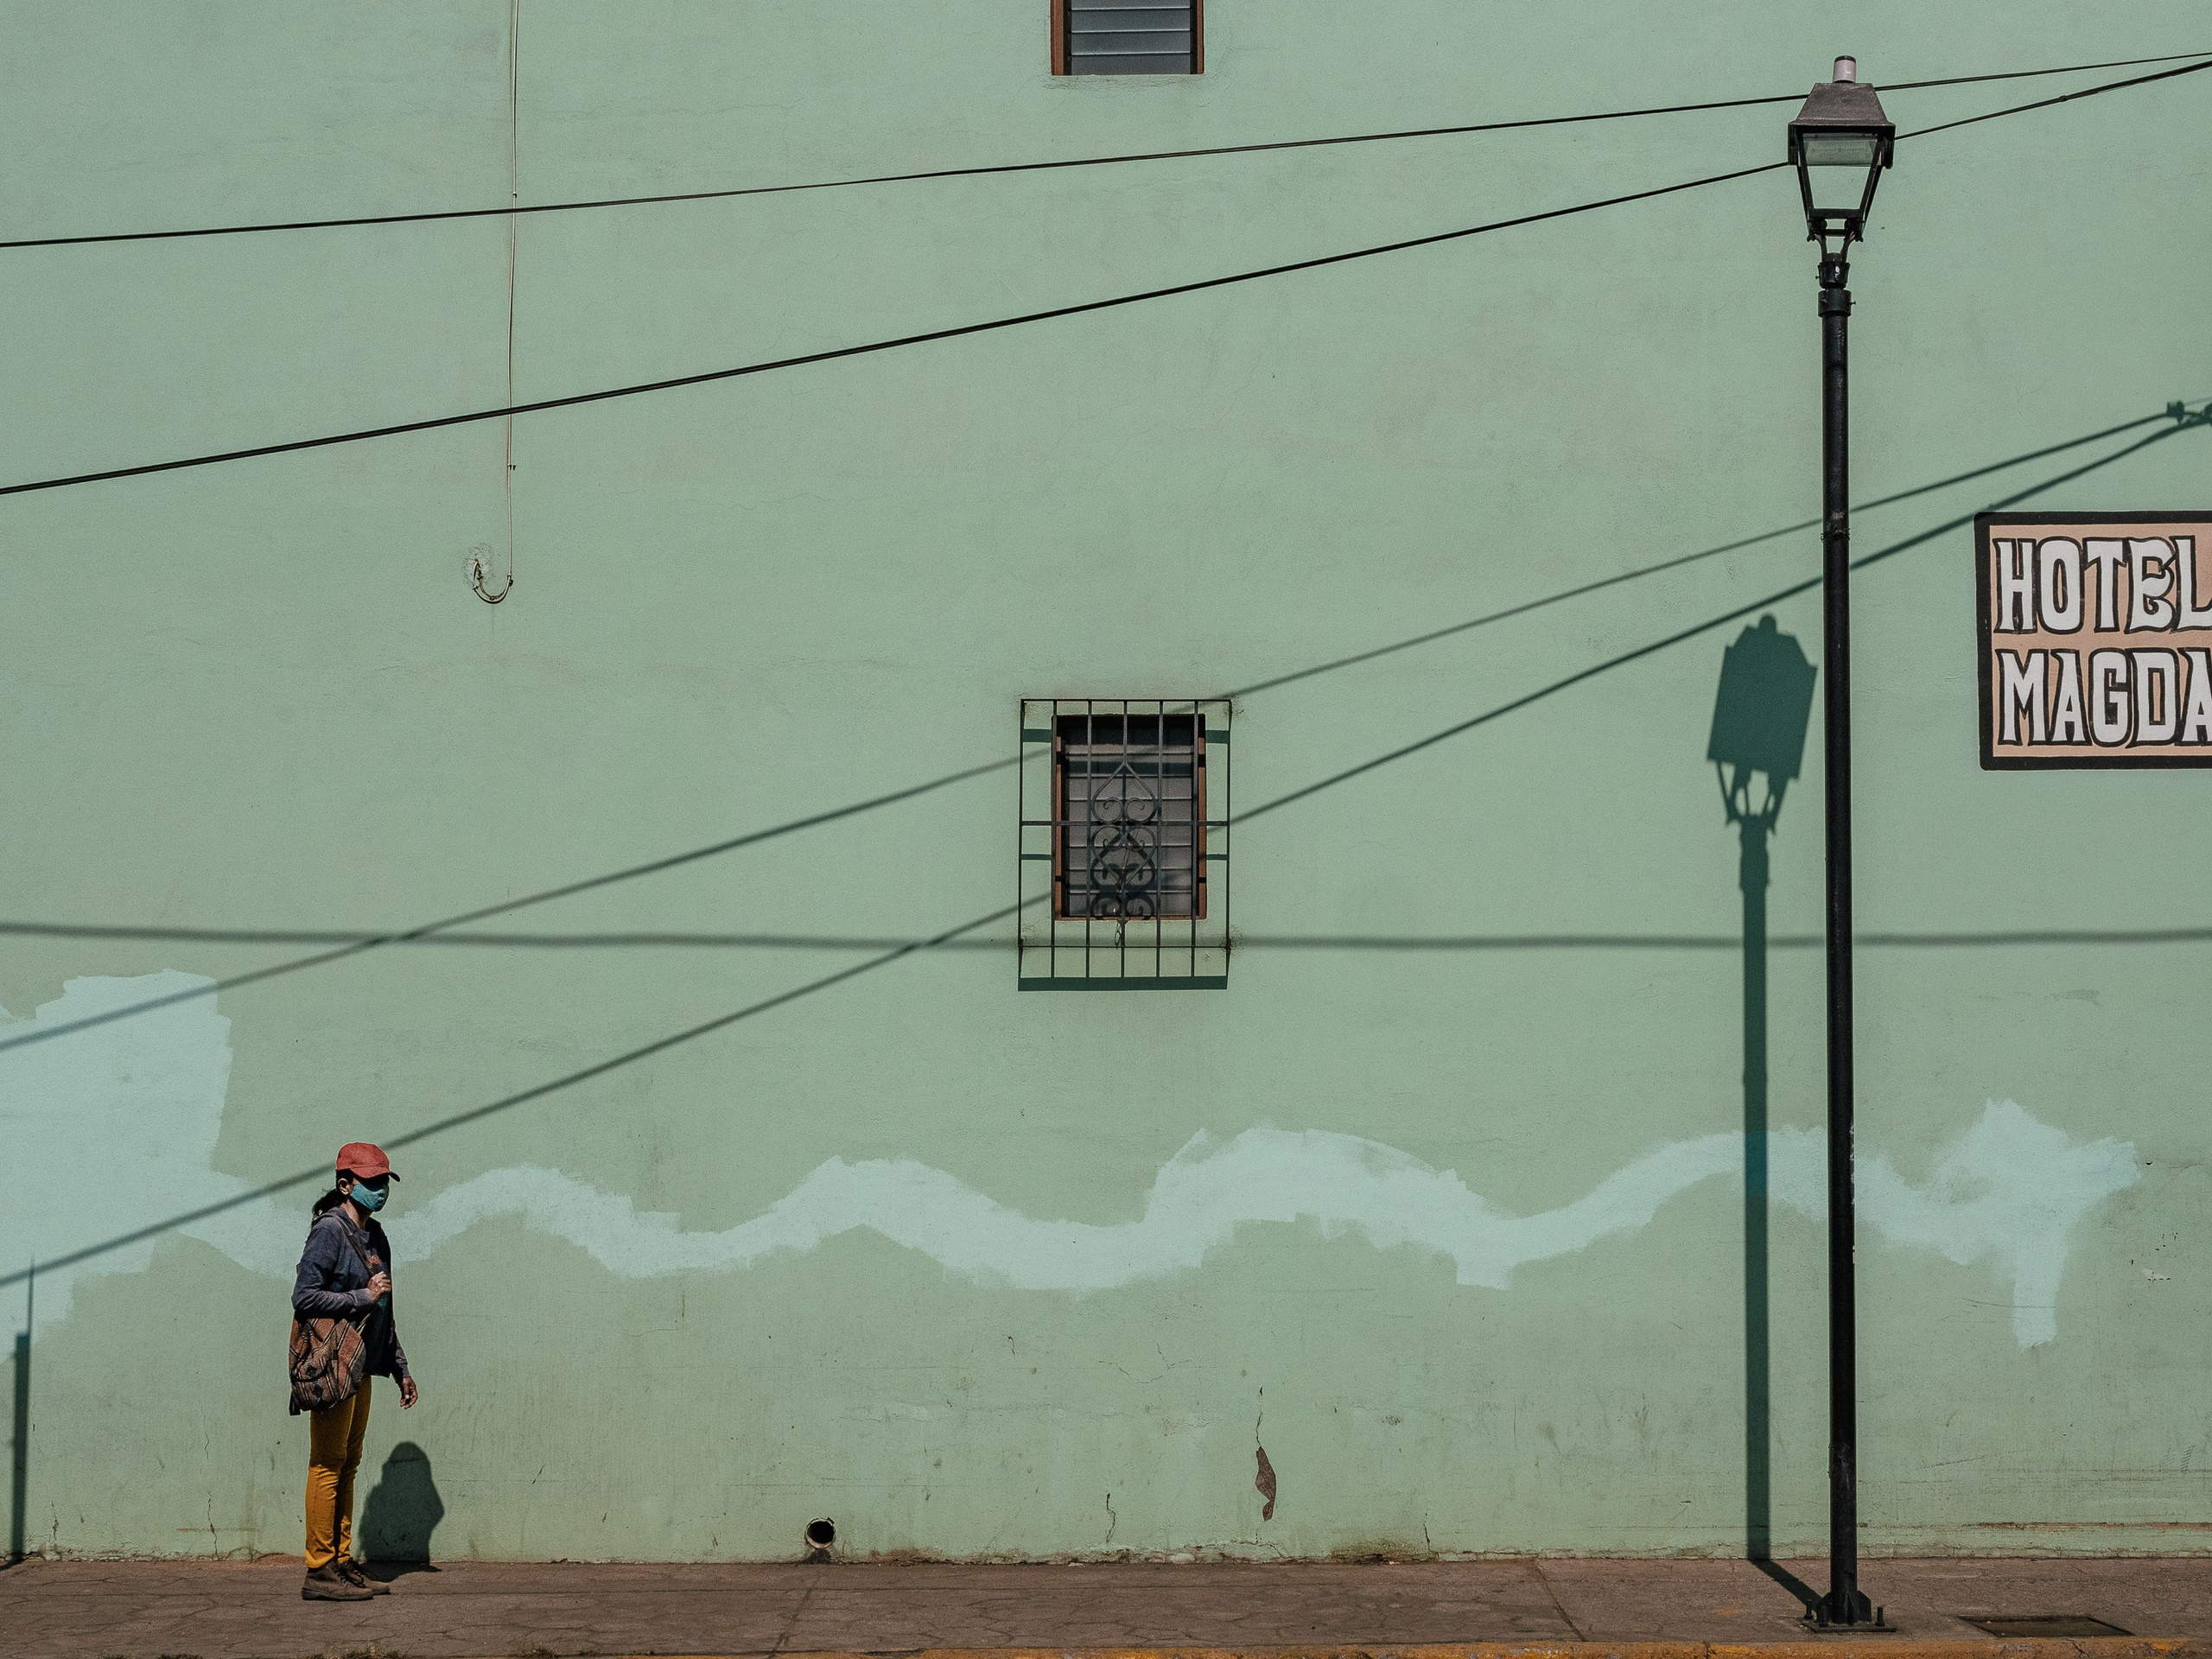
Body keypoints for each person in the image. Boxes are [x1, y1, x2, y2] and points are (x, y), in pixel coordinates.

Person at [292, 1141, 420, 1601]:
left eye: (384, 1181)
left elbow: (385, 1311)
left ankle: (342, 1562)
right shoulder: (330, 1230)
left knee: (348, 1463)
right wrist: (362, 1297)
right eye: (371, 1182)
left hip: (362, 1364)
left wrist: (400, 1367)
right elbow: (304, 1296)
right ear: (345, 1185)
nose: (381, 1189)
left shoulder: (376, 1235)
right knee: (327, 1464)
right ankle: (319, 1569)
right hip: (332, 1365)